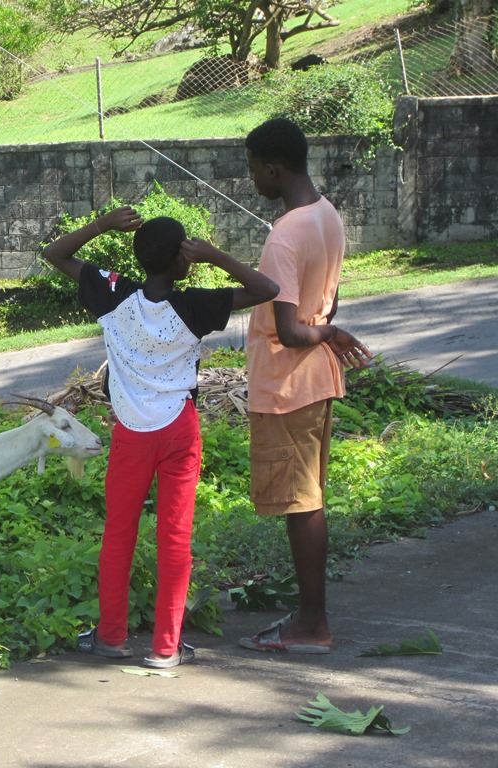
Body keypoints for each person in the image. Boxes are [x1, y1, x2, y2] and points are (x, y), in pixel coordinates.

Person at [43, 208, 279, 668]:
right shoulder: (194, 305)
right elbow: (267, 290)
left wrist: (101, 226)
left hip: (130, 431)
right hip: (178, 430)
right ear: (181, 261)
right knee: (175, 536)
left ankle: (111, 637)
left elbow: (54, 253)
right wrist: (215, 255)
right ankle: (166, 648)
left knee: (119, 533)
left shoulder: (113, 292)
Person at [234, 117, 372, 654]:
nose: (253, 182)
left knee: (301, 503)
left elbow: (291, 331)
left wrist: (327, 331)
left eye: (253, 170)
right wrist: (327, 325)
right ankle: (309, 614)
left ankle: (312, 623)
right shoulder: (327, 214)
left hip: (288, 385)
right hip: (317, 381)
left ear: (273, 167)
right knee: (306, 499)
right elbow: (328, 300)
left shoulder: (285, 234)